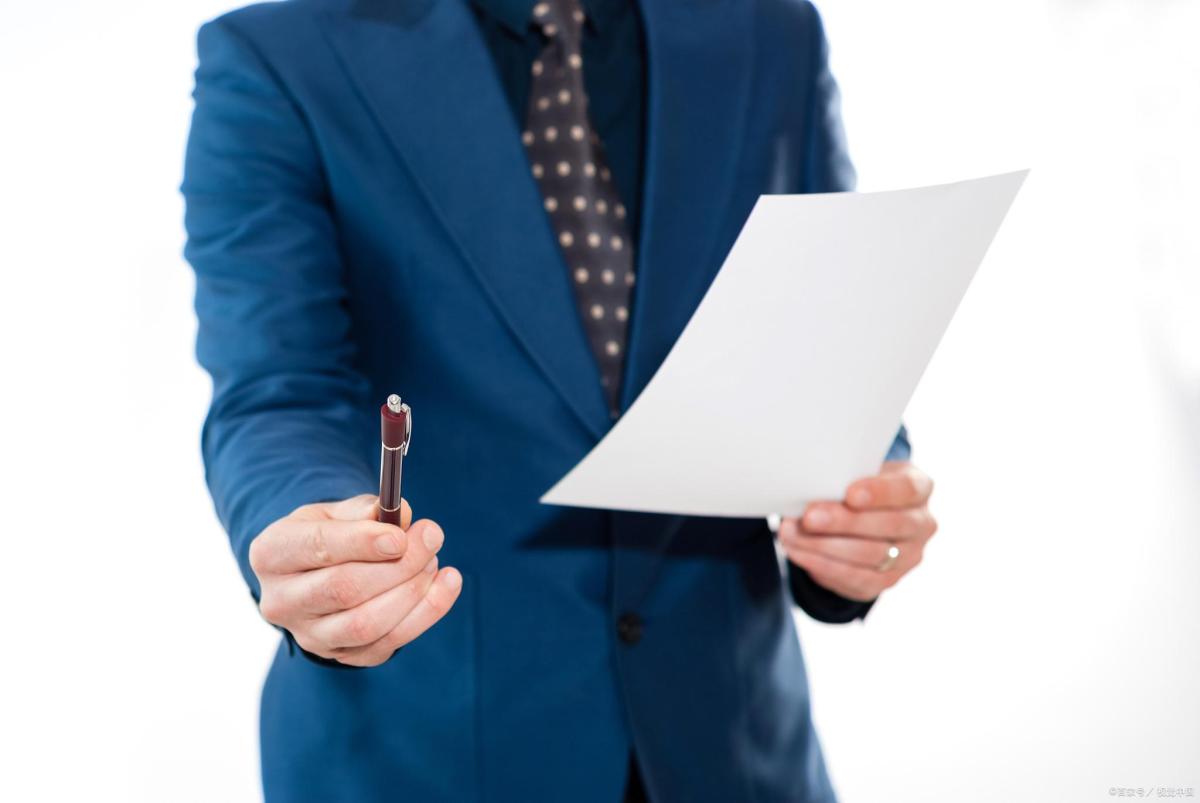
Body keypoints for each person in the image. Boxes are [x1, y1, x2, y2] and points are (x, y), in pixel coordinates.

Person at [181, 0, 939, 800]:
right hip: (430, 747)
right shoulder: (280, 56)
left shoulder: (771, 30)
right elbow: (278, 389)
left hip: (731, 743)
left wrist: (865, 501)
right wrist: (315, 533)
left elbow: (823, 333)